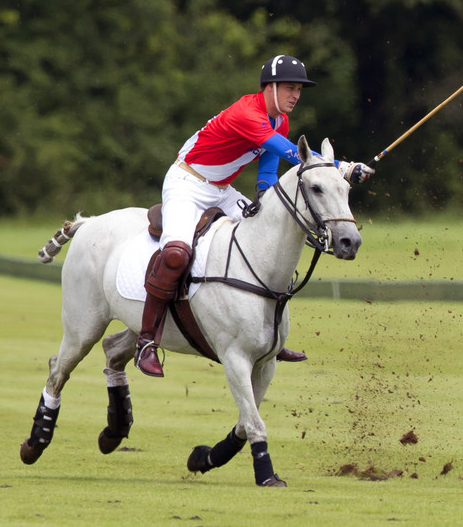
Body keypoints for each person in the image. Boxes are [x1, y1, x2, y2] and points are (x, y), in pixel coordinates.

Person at [136, 55, 374, 377]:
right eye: (290, 88)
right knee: (177, 254)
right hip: (187, 183)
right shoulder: (247, 113)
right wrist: (340, 166)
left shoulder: (280, 120)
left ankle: (269, 338)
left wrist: (264, 202)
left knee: (269, 238)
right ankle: (147, 341)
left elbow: (267, 173)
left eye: (299, 90)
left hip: (222, 188)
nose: (295, 95)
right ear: (269, 87)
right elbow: (291, 152)